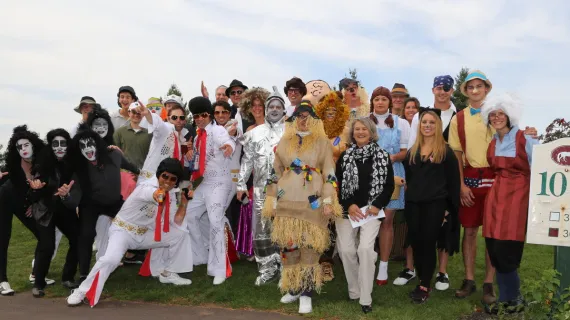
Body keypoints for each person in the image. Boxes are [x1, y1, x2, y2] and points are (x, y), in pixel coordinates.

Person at [66, 158, 193, 307]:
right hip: (123, 231)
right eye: (165, 176)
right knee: (111, 260)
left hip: (144, 234)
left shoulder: (171, 194)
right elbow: (154, 194)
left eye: (173, 179)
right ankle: (81, 291)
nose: (168, 181)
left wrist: (184, 203)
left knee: (180, 233)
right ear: (159, 174)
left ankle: (167, 272)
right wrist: (161, 193)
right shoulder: (146, 187)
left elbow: (175, 222)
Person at [262, 101, 342, 314]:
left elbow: (330, 173)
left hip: (311, 201)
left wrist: (328, 200)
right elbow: (275, 171)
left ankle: (307, 292)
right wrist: (271, 198)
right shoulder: (285, 141)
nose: (303, 120)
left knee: (309, 246)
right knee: (289, 246)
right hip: (286, 201)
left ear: (314, 119)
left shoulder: (322, 142)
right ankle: (295, 287)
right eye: (299, 116)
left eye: (307, 116)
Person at [480, 94, 537, 314]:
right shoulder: (494, 142)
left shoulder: (525, 139)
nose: (496, 118)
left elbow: (540, 168)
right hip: (496, 198)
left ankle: (513, 300)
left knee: (508, 251)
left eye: (500, 114)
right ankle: (508, 299)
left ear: (509, 115)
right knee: (493, 248)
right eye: (493, 115)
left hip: (517, 199)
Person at [403, 75, 458, 290]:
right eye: (424, 122)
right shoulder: (412, 152)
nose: (427, 125)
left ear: (438, 126)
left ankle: (425, 284)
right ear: (419, 125)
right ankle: (420, 275)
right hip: (414, 205)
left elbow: (453, 184)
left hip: (436, 206)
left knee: (428, 243)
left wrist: (448, 210)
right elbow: (409, 178)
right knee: (417, 243)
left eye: (432, 123)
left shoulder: (446, 153)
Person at [336, 117, 395, 314]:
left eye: (364, 129)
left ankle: (365, 297)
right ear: (352, 133)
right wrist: (349, 204)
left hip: (371, 211)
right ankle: (354, 290)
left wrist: (377, 205)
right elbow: (338, 185)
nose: (360, 132)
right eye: (357, 129)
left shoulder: (383, 156)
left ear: (371, 132)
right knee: (346, 250)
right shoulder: (344, 157)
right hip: (347, 211)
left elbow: (388, 186)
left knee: (366, 250)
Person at [237, 86, 286, 286]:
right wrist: (240, 185)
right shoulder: (254, 133)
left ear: (283, 111)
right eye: (271, 106)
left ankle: (286, 271)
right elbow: (247, 161)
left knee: (284, 230)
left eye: (278, 106)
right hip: (259, 191)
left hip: (285, 191)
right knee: (262, 232)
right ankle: (267, 270)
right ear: (266, 110)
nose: (274, 109)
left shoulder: (291, 133)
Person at [185, 97, 236, 286]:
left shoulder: (218, 130)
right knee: (189, 215)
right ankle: (201, 254)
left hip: (220, 183)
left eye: (203, 115)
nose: (199, 118)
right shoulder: (198, 137)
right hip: (204, 183)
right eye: (195, 115)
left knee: (215, 221)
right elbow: (197, 164)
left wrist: (229, 146)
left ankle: (220, 268)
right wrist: (190, 155)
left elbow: (228, 140)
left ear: (209, 115)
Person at [67, 124, 125, 281]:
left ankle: (132, 256)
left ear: (97, 143)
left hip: (114, 202)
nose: (87, 149)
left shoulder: (113, 156)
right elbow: (73, 201)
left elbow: (131, 166)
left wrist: (144, 176)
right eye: (82, 146)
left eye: (90, 144)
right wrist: (66, 196)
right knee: (85, 234)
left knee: (133, 224)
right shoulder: (79, 169)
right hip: (90, 204)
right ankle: (84, 273)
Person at [27, 129, 80, 297]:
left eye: (63, 143)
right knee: (47, 246)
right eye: (55, 144)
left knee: (78, 238)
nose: (59, 147)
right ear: (50, 146)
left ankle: (68, 277)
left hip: (64, 208)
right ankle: (38, 283)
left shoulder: (72, 163)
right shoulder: (42, 164)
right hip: (45, 210)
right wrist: (37, 190)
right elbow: (33, 194)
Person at [367, 86, 411, 286]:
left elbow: (405, 152)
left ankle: (383, 267)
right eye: (377, 99)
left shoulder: (401, 123)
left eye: (384, 99)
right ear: (373, 102)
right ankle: (368, 260)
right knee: (369, 219)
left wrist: (390, 158)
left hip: (393, 174)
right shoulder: (365, 121)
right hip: (368, 176)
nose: (380, 102)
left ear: (389, 102)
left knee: (387, 221)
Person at [0, 125, 49, 296]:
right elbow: (17, 186)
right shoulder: (14, 163)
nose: (23, 149)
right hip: (6, 197)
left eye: (26, 145)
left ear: (33, 144)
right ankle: (2, 280)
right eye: (19, 146)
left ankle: (36, 273)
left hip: (24, 201)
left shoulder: (41, 161)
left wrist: (30, 204)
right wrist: (27, 203)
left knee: (43, 235)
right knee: (3, 237)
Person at [314, 90, 351, 281]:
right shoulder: (315, 129)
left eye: (334, 108)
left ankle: (344, 258)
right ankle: (324, 262)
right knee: (322, 223)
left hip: (342, 182)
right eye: (326, 108)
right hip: (318, 184)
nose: (330, 111)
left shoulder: (347, 130)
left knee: (338, 223)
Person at [136, 101, 190, 186]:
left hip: (168, 184)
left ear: (185, 121)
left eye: (181, 118)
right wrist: (148, 114)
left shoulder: (182, 139)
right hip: (150, 182)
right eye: (174, 117)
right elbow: (158, 123)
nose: (178, 120)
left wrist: (187, 152)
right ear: (168, 119)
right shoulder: (166, 129)